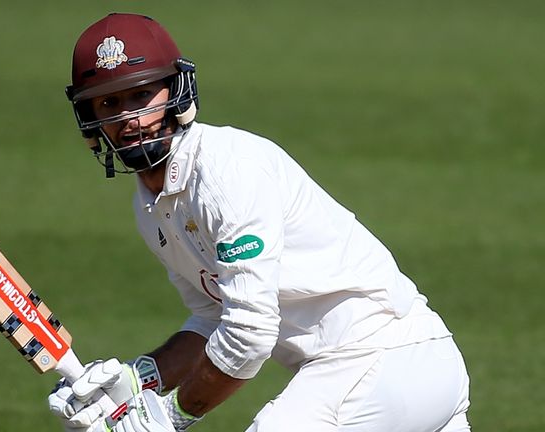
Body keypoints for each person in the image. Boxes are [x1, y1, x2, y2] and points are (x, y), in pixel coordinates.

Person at [48, 12, 471, 432]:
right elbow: (214, 318)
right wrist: (140, 380)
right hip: (393, 369)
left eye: (141, 95)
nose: (130, 119)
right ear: (89, 117)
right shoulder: (151, 208)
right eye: (109, 103)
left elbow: (250, 332)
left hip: (382, 357)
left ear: (176, 90)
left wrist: (168, 415)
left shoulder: (225, 172)